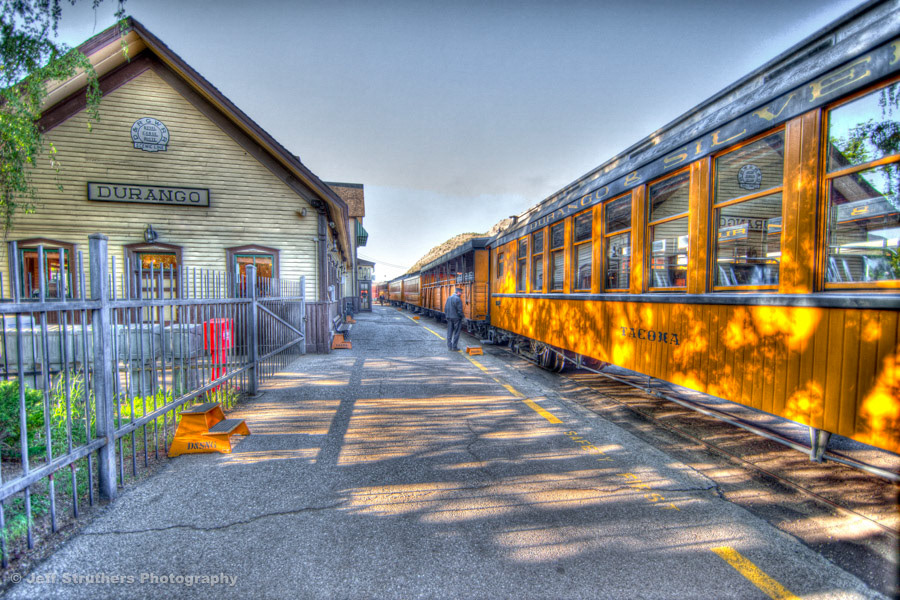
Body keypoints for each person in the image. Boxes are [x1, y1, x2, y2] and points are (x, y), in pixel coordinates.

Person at [444, 287, 464, 351]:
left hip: (449, 317)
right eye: (461, 293)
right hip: (456, 318)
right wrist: (462, 317)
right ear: (458, 292)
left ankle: (449, 346)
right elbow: (459, 310)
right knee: (456, 332)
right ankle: (454, 347)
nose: (461, 294)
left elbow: (446, 308)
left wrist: (447, 316)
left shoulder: (449, 298)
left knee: (449, 332)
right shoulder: (458, 299)